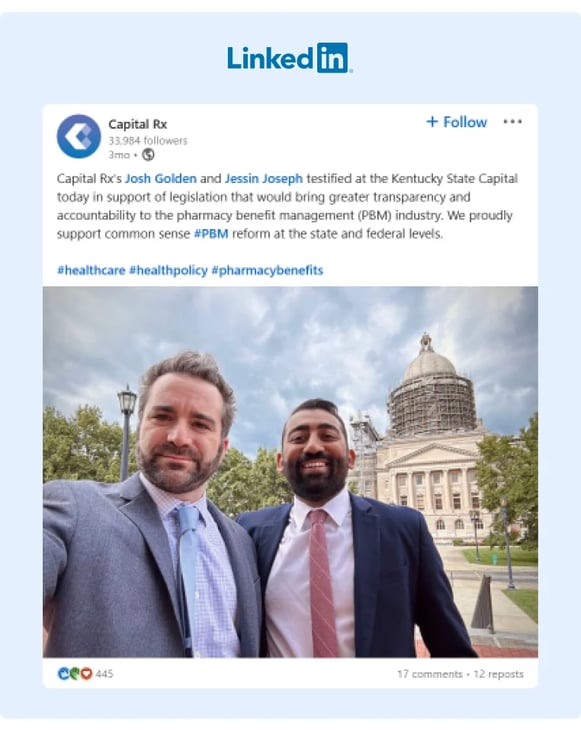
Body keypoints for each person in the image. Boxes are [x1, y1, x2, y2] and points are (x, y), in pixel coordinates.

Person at [43, 351, 261, 658]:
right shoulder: (72, 508)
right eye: (163, 417)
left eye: (200, 424)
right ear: (140, 427)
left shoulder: (242, 542)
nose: (178, 437)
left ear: (223, 448)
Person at [237, 398, 477, 658]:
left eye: (328, 435)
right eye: (298, 438)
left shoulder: (405, 529)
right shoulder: (249, 532)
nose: (314, 446)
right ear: (280, 462)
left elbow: (450, 646)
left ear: (351, 458)